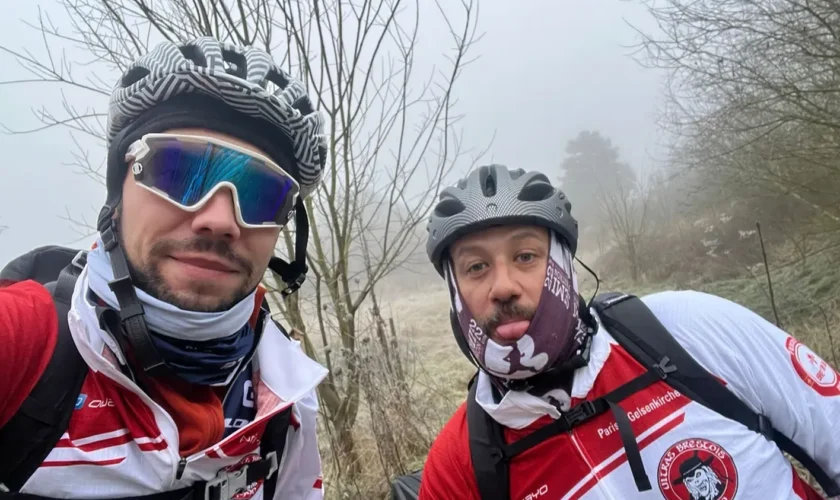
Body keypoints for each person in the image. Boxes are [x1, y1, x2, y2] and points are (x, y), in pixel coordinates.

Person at [0, 36, 329, 499]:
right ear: (117, 198)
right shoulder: (23, 341)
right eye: (179, 170)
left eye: (260, 193)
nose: (219, 221)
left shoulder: (287, 391)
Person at [417, 164, 840, 499]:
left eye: (526, 255)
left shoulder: (689, 328)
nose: (504, 286)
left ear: (565, 266)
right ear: (455, 292)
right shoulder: (461, 464)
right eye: (476, 267)